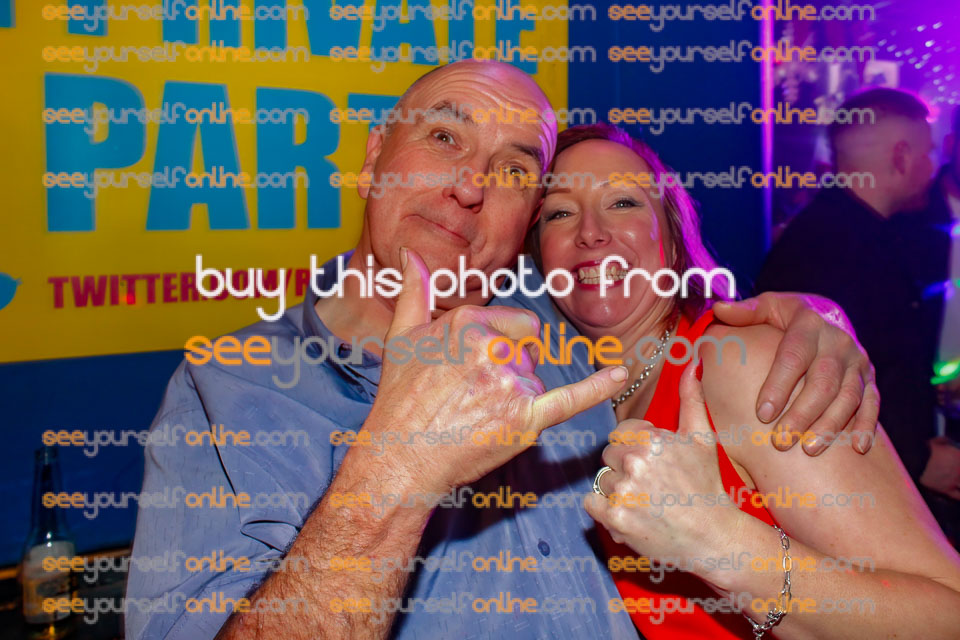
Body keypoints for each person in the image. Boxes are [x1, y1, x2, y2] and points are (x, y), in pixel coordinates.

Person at [126, 61, 880, 640]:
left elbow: (665, 307)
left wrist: (812, 316)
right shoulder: (231, 390)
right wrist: (396, 467)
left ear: (526, 222)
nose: (470, 186)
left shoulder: (562, 323)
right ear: (374, 156)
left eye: (515, 169)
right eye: (444, 137)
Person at [531, 123, 960, 638]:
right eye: (559, 212)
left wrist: (718, 542)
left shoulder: (742, 365)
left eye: (623, 202)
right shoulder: (582, 400)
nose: (590, 232)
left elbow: (946, 616)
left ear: (671, 238)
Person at [755, 88, 939, 485]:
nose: (932, 167)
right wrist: (919, 460)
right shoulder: (831, 250)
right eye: (927, 154)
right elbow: (823, 389)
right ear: (901, 156)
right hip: (860, 484)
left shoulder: (851, 233)